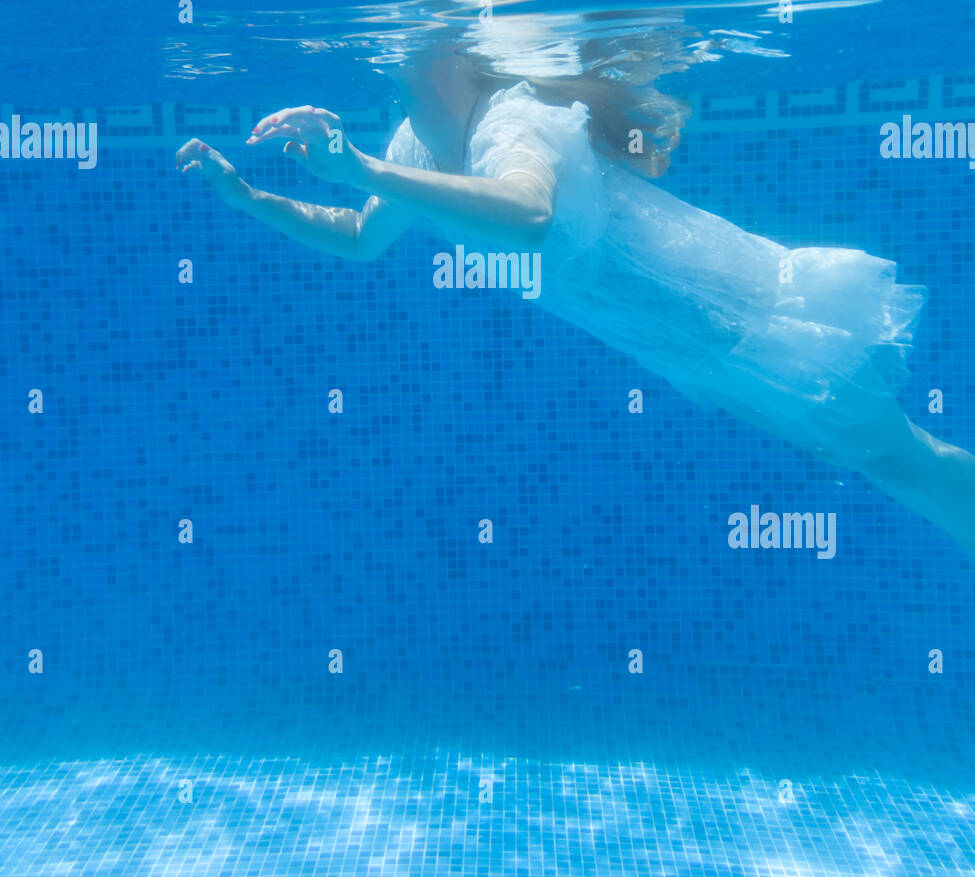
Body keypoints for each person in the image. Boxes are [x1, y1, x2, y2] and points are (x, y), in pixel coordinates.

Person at [176, 43, 975, 552]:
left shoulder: (513, 117)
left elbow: (527, 215)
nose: (388, 60)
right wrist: (251, 199)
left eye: (404, 48)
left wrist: (361, 169)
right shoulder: (417, 143)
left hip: (751, 312)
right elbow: (359, 234)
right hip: (696, 349)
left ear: (454, 54)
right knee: (877, 458)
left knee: (897, 458)